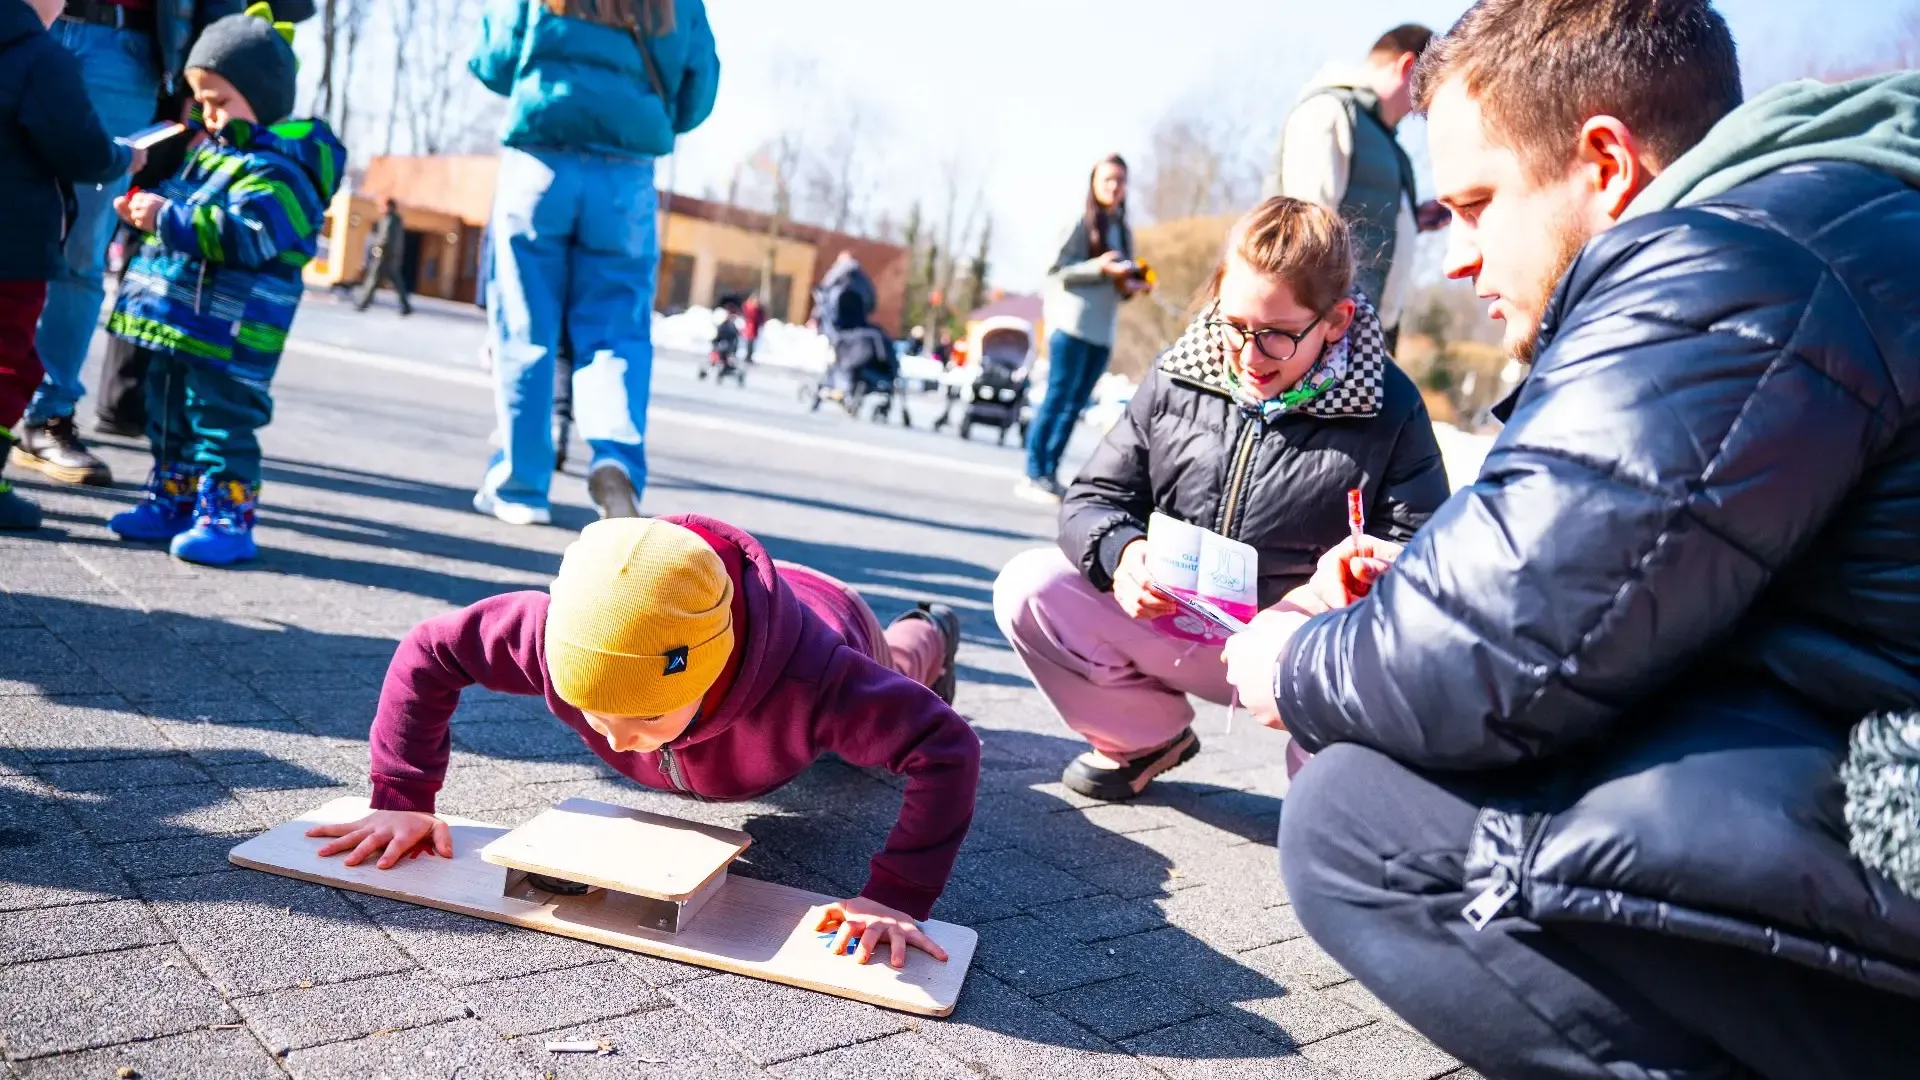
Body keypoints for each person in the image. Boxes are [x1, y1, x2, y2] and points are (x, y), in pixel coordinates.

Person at [1221, 3, 1920, 1076]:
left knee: (1361, 818)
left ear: (1603, 162)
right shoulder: (1821, 225)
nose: (1457, 257)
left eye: (1474, 204)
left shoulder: (1731, 262)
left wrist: (1293, 658)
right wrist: (1427, 584)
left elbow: (1495, 649)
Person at [313, 515, 975, 967]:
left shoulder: (820, 681)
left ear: (715, 671)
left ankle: (932, 626)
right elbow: (431, 649)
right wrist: (402, 793)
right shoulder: (552, 633)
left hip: (829, 614)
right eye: (594, 713)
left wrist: (896, 896)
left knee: (902, 667)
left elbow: (947, 749)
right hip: (705, 593)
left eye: (649, 718)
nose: (622, 741)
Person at [994, 197, 1448, 801]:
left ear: (1336, 321)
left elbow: (1426, 563)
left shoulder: (1389, 407)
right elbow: (1091, 499)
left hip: (1297, 653)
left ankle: (1332, 819)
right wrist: (1123, 555)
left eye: (1279, 336)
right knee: (1029, 585)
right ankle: (1143, 736)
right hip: (1175, 629)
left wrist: (1357, 586)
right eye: (1234, 326)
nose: (1250, 356)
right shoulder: (1182, 371)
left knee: (1368, 722)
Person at [102, 4, 345, 566]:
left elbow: (248, 236)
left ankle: (228, 516)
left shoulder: (281, 169)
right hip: (183, 324)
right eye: (202, 102)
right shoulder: (215, 154)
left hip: (233, 334)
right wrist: (150, 209)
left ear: (262, 97)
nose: (207, 115)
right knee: (169, 415)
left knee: (222, 422)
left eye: (219, 101)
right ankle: (174, 498)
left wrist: (167, 217)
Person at [469, 0, 719, 527]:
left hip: (540, 164)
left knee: (525, 330)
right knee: (616, 333)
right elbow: (698, 93)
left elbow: (493, 59)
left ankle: (521, 485)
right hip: (625, 178)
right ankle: (615, 459)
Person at [11, 0, 247, 489]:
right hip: (16, 21)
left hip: (122, 47)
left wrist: (196, 77)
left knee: (81, 249)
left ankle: (47, 415)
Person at [0, 0, 140, 529]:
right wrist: (122, 156)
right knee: (10, 361)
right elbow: (81, 150)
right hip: (14, 255)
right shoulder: (43, 59)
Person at [1262, 24, 1449, 351]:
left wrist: (1413, 221)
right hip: (1322, 334)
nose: (1426, 107)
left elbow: (1360, 218)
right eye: (1427, 87)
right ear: (1407, 67)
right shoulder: (1327, 111)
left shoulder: (1385, 140)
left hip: (1360, 331)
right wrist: (1317, 335)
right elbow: (1308, 225)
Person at [1017, 153, 1150, 505]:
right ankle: (1033, 472)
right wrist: (1099, 268)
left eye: (1120, 180)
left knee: (1075, 405)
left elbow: (1114, 287)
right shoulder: (1079, 220)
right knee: (1057, 398)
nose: (1114, 186)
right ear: (1093, 182)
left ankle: (1049, 473)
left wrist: (1129, 286)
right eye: (1108, 179)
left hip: (1101, 331)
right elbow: (1055, 271)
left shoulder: (1121, 229)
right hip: (1071, 325)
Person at [92, 88, 201, 439]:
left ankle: (127, 401)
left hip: (164, 121)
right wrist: (194, 120)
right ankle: (124, 401)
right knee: (147, 275)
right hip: (166, 140)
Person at [354, 197, 412, 315]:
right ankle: (406, 306)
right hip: (391, 257)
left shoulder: (389, 220)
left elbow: (385, 237)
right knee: (396, 282)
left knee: (372, 279)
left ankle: (363, 303)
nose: (380, 208)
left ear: (389, 206)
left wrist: (378, 248)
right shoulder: (396, 220)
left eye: (383, 205)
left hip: (384, 256)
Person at [810, 251, 876, 342]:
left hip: (834, 325)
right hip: (858, 328)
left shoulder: (837, 271)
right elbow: (872, 301)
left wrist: (815, 317)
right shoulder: (863, 279)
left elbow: (822, 294)